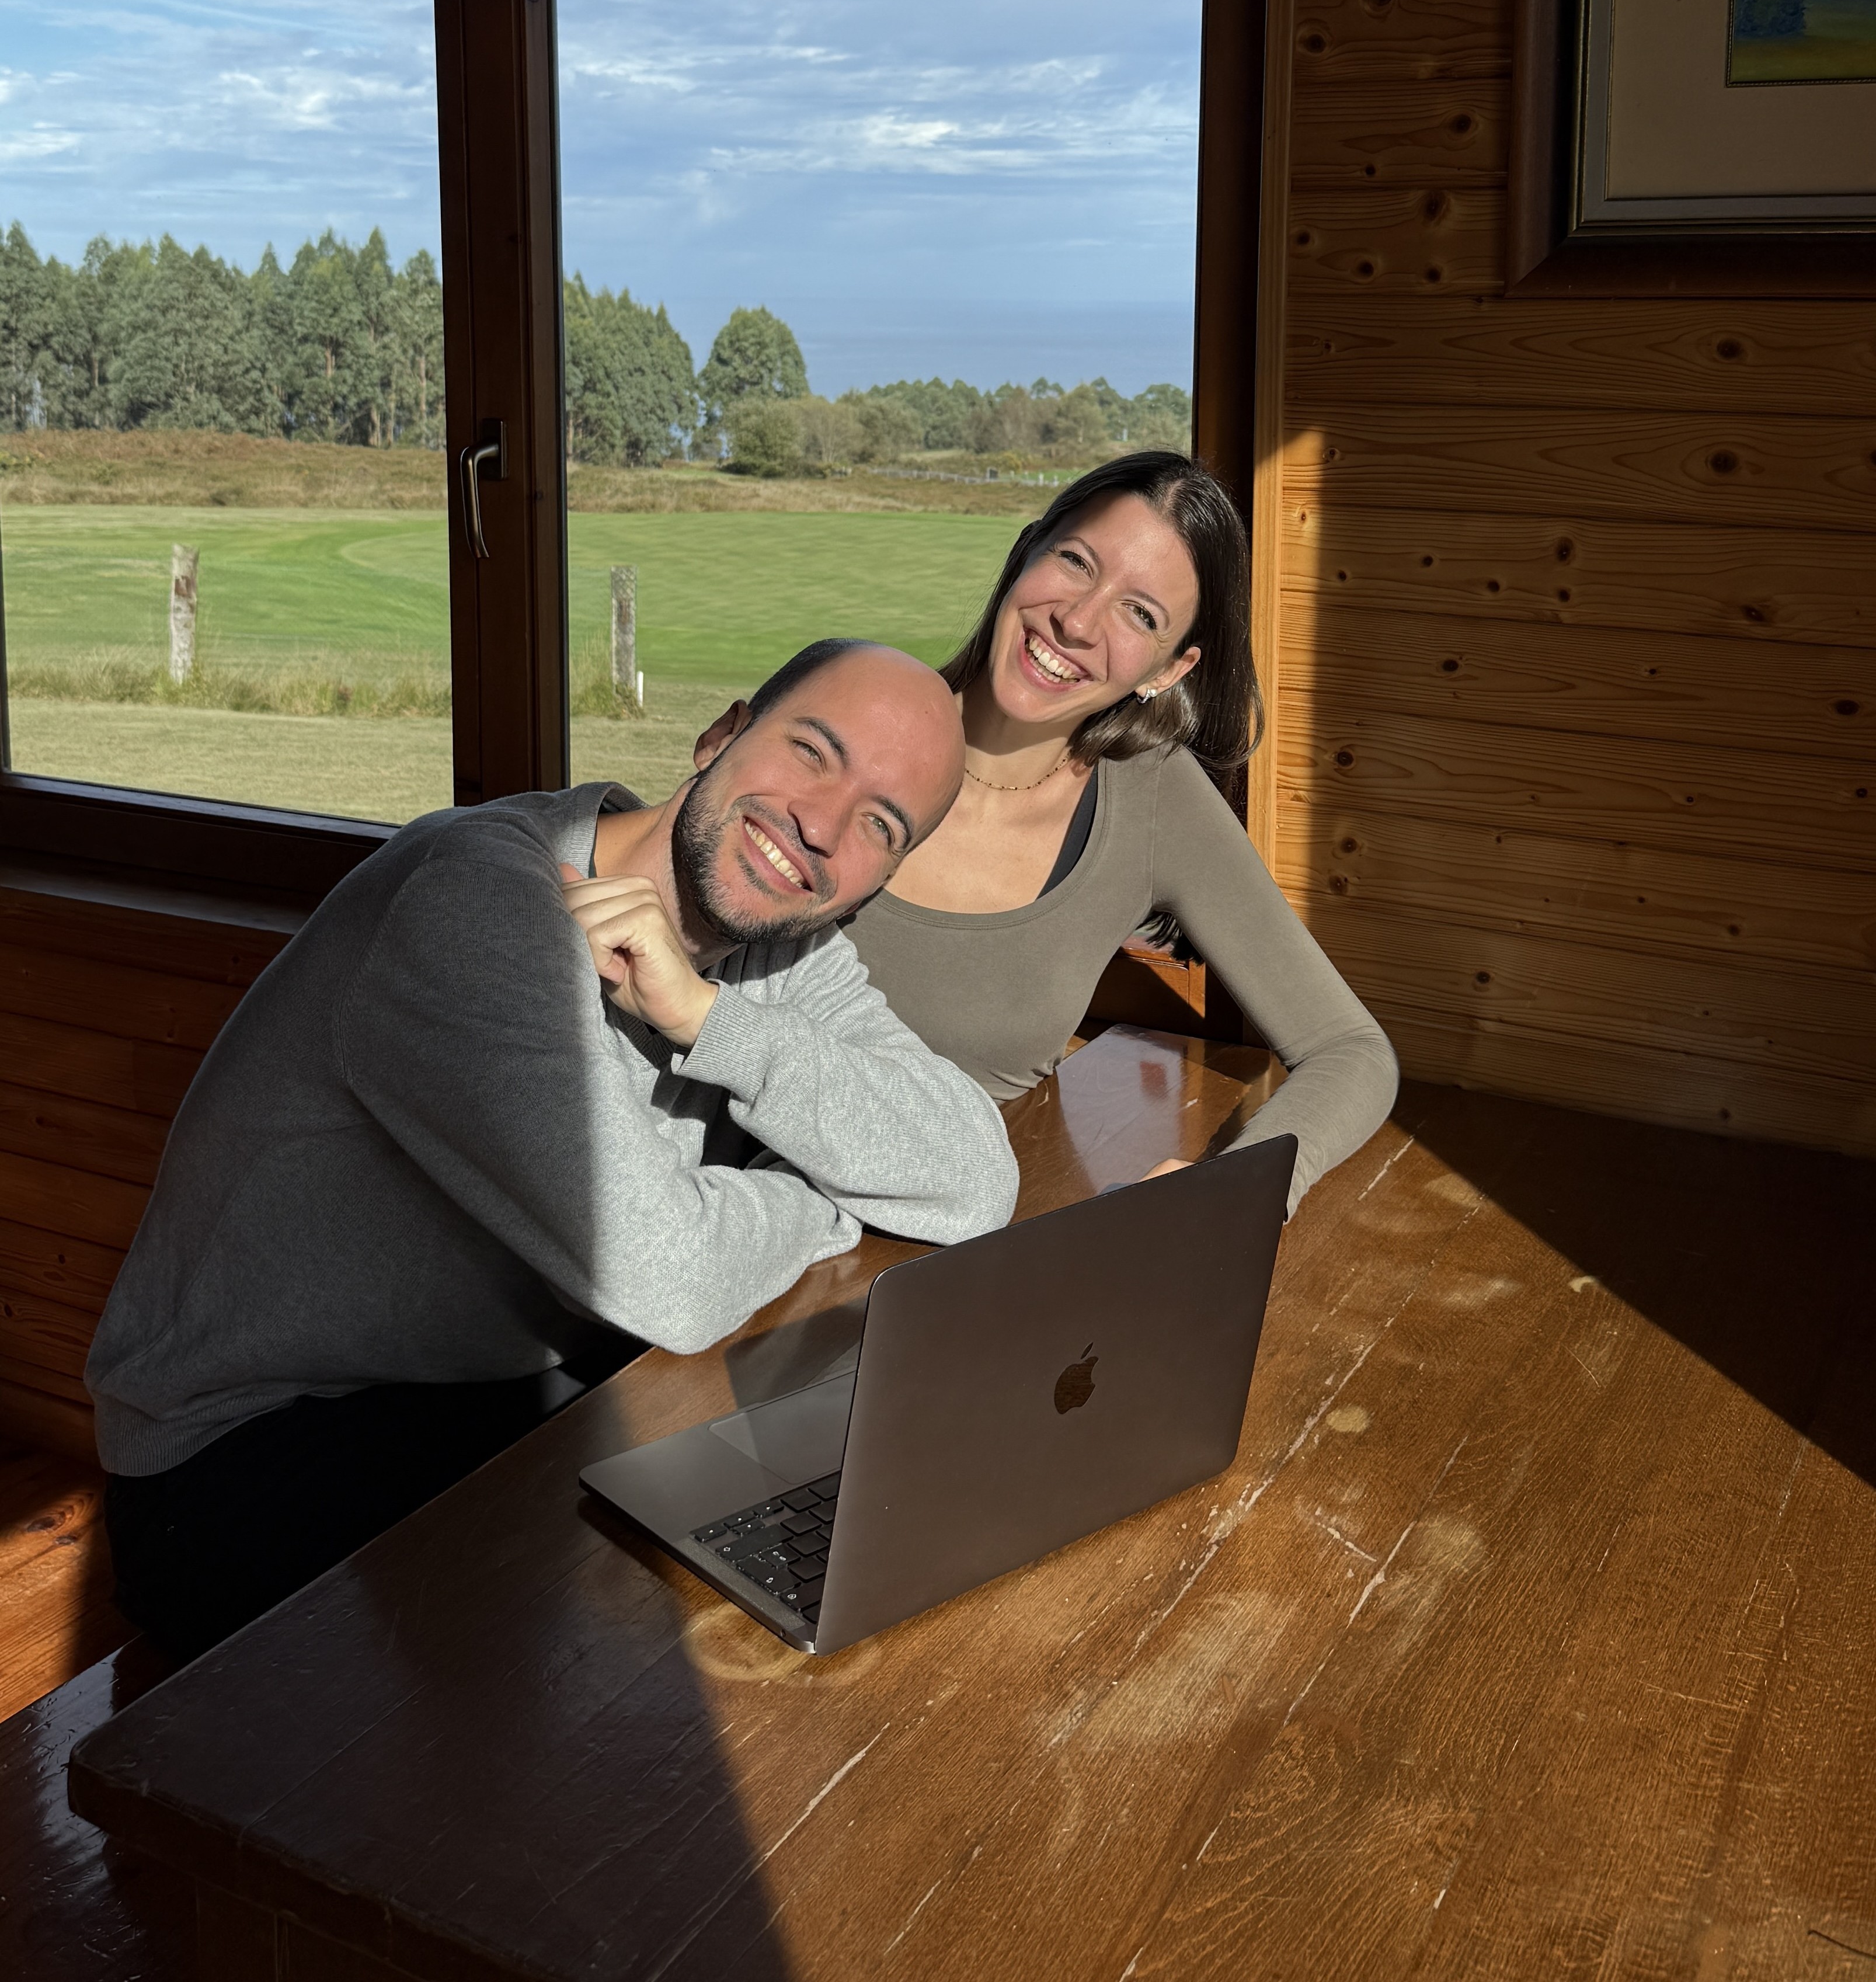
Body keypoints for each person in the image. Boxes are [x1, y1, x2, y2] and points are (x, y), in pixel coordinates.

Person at [88, 638, 1018, 1660]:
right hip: (253, 1455)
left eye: (880, 824)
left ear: (877, 883)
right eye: (811, 750)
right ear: (721, 732)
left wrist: (710, 1019)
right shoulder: (482, 898)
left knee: (864, 1543)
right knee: (663, 1682)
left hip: (506, 1387)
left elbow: (975, 1175)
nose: (820, 822)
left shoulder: (777, 951)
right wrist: (823, 1196)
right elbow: (670, 1276)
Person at [840, 451, 1398, 1216]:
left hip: (928, 1251)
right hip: (698, 1228)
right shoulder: (855, 719)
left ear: (1168, 671)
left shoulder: (1150, 798)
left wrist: (1235, 1193)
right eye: (1074, 562)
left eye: (1140, 614)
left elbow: (1350, 1053)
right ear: (1023, 552)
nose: (1077, 621)